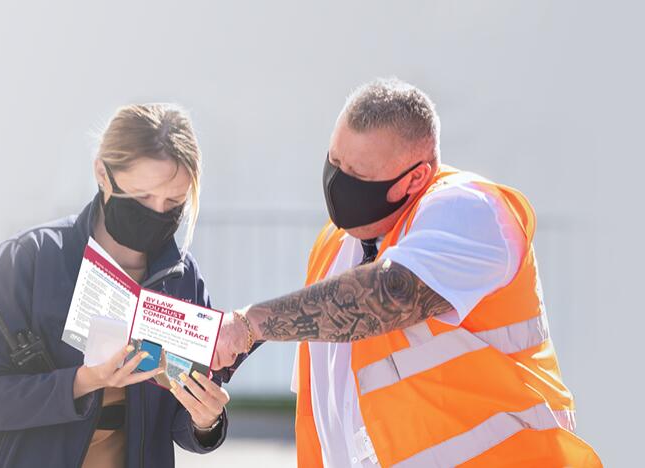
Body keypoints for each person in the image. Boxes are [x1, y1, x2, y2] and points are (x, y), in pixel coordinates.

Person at [213, 78, 602, 467]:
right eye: (334, 162)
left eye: (359, 176)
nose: (337, 183)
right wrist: (236, 340)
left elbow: (390, 294)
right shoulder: (335, 246)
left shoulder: (470, 210)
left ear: (416, 177)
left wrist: (251, 324)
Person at [0, 104, 230, 468]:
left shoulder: (182, 278)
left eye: (174, 201)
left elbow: (176, 422)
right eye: (141, 196)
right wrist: (83, 381)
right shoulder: (28, 259)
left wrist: (205, 421)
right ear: (102, 174)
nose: (157, 210)